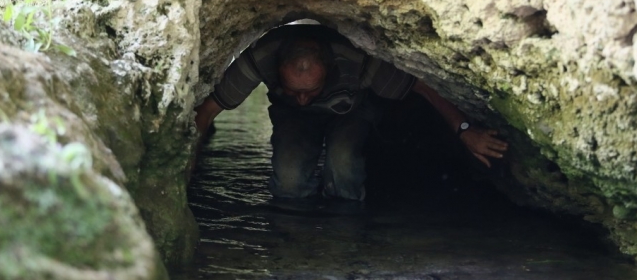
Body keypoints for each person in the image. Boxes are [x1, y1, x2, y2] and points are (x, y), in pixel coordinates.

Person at [194, 23, 508, 202]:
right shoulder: (261, 57)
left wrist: (465, 130)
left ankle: (344, 238)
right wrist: (182, 171)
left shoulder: (358, 60)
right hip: (294, 120)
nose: (303, 99)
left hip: (351, 111)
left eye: (310, 91)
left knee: (342, 164)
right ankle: (293, 241)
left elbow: (423, 87)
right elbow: (206, 113)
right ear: (278, 69)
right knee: (289, 182)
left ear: (329, 70)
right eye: (294, 90)